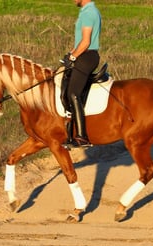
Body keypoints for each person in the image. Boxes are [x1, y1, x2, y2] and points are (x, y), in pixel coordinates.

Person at [61, 0, 101, 147]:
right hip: (83, 55)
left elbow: (85, 42)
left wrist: (73, 57)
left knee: (73, 93)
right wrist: (70, 54)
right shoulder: (86, 11)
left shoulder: (89, 13)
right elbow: (80, 42)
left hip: (87, 57)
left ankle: (82, 136)